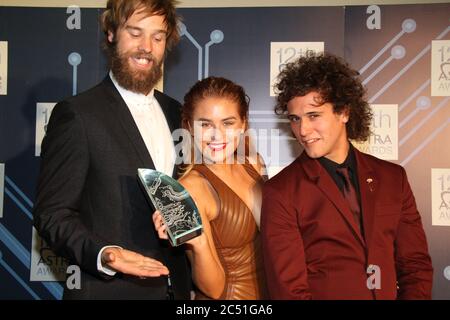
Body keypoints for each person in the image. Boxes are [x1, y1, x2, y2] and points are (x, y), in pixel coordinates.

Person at [33, 0, 191, 299]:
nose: (146, 47)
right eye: (135, 33)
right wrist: (107, 254)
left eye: (157, 37)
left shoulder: (177, 112)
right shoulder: (78, 114)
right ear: (111, 33)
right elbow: (52, 214)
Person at [261, 52, 433, 300]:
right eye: (295, 119)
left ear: (343, 112)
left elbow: (415, 266)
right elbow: (289, 292)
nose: (302, 130)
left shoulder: (393, 178)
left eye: (313, 115)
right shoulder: (281, 191)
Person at [153, 77, 267, 299]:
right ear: (189, 127)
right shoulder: (190, 189)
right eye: (205, 124)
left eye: (228, 123)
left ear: (243, 123)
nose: (217, 135)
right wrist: (199, 242)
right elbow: (213, 290)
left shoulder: (254, 164)